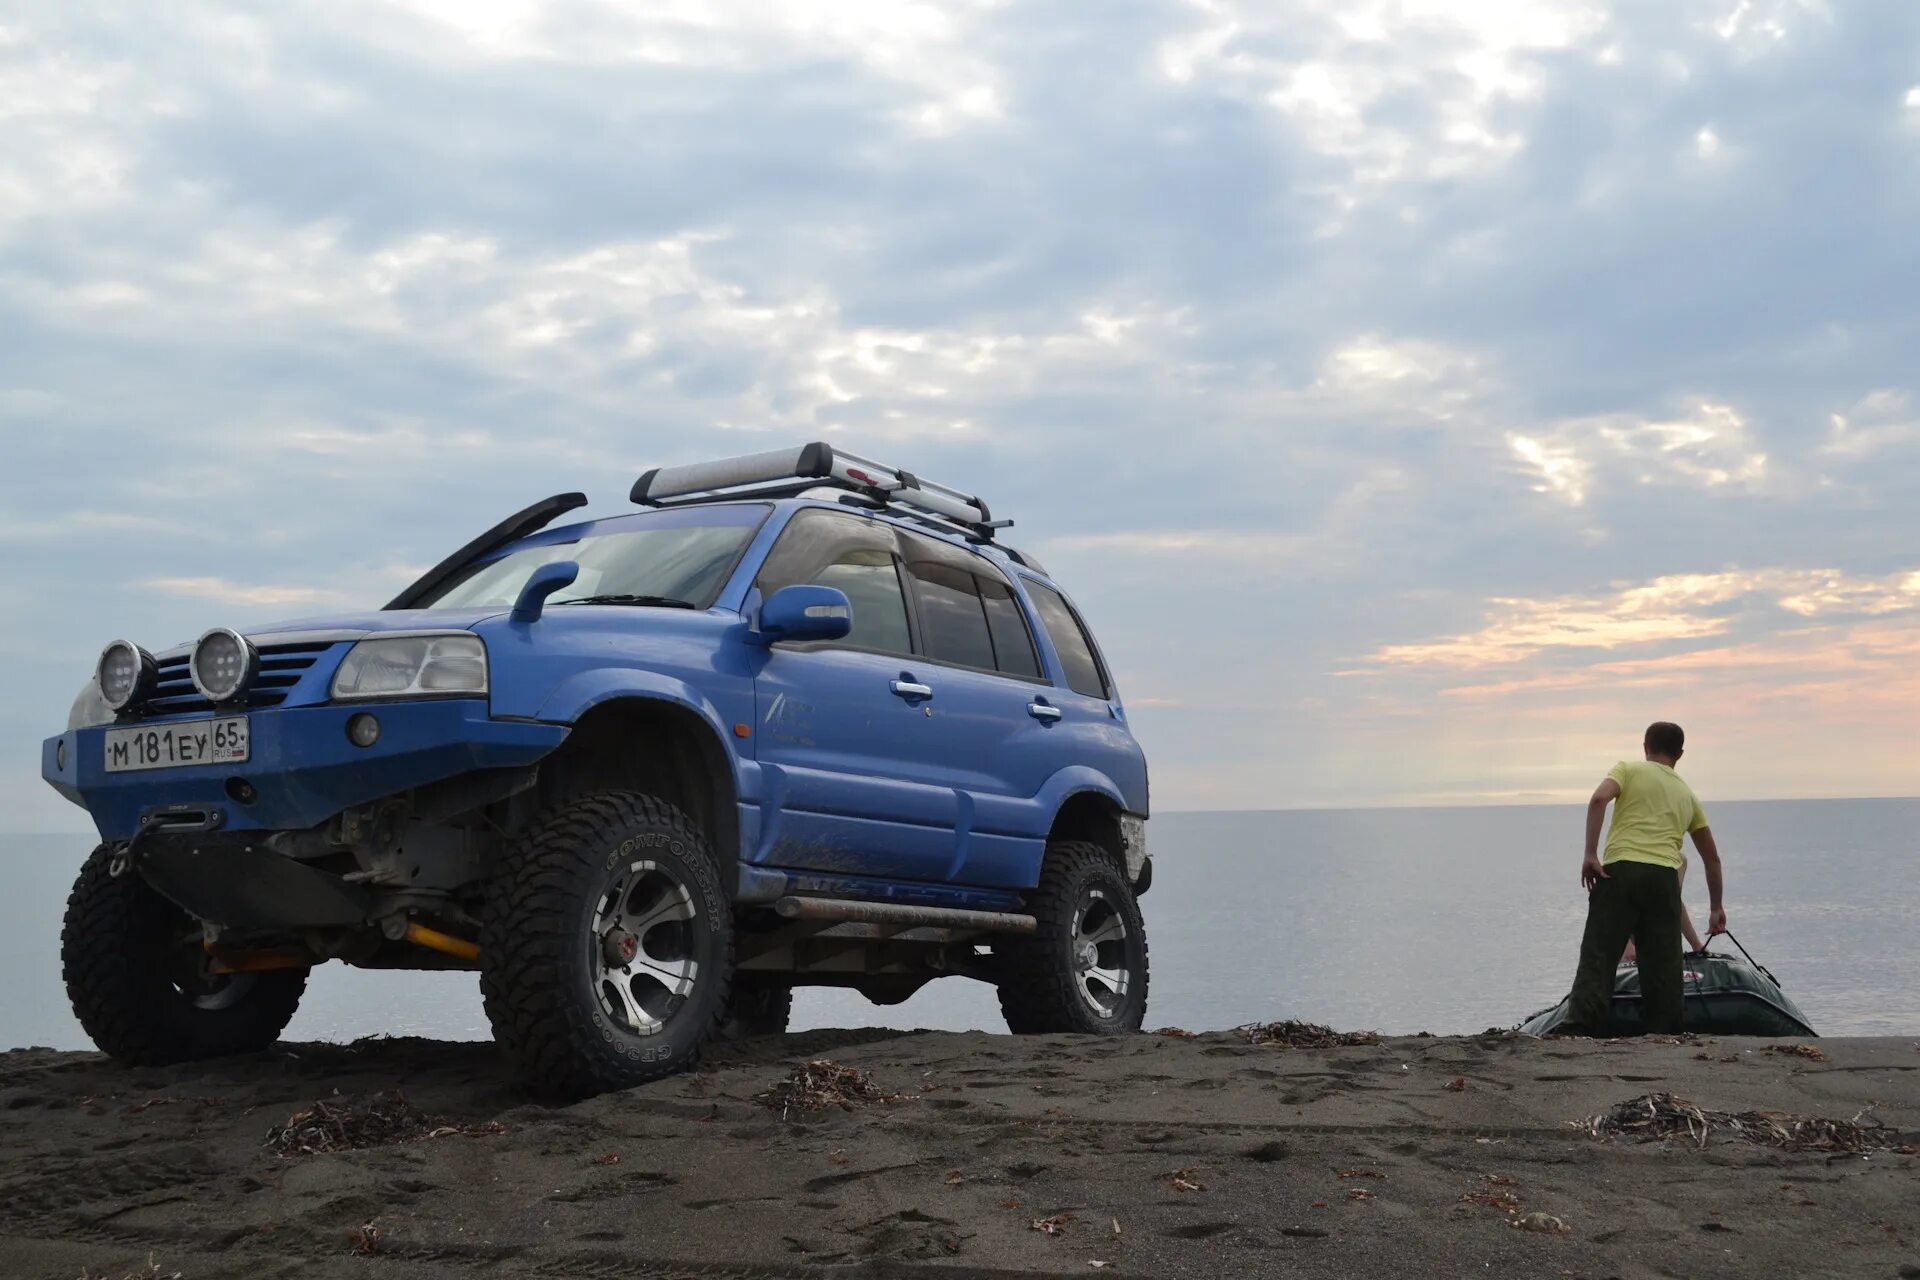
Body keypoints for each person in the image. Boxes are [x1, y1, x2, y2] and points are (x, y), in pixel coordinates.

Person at [1559, 722, 1726, 1036]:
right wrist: (1716, 907)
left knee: (1600, 951)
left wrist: (1590, 854)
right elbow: (1712, 858)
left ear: (1645, 746)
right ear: (1680, 754)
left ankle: (1580, 1026)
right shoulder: (1687, 794)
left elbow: (1598, 800)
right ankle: (1666, 1030)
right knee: (1663, 962)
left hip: (1620, 870)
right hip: (1663, 877)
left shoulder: (1629, 769)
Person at [1621, 856, 1705, 962]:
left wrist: (1696, 944)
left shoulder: (1678, 861)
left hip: (1655, 936)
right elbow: (1617, 900)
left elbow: (1674, 903)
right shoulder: (1630, 855)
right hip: (1621, 932)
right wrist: (1627, 946)